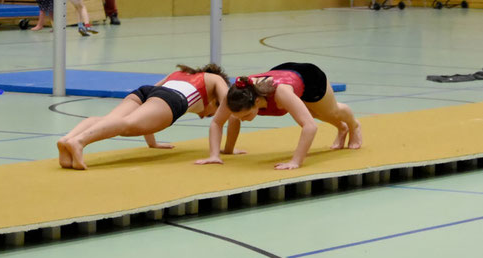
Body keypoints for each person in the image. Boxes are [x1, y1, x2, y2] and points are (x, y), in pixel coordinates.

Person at [57, 64, 231, 170]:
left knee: (108, 119)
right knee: (126, 125)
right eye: (211, 113)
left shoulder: (179, 74)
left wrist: (152, 143)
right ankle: (79, 142)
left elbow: (151, 97)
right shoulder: (215, 79)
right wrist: (226, 150)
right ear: (215, 100)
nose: (206, 116)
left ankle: (67, 140)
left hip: (146, 91)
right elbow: (230, 107)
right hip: (173, 100)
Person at [196, 62, 363, 170]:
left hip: (309, 77)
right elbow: (217, 123)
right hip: (282, 72)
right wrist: (217, 154)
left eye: (246, 115)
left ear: (258, 102)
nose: (242, 119)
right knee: (312, 112)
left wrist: (295, 162)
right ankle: (342, 129)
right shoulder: (235, 95)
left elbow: (310, 127)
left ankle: (353, 125)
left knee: (327, 111)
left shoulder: (281, 93)